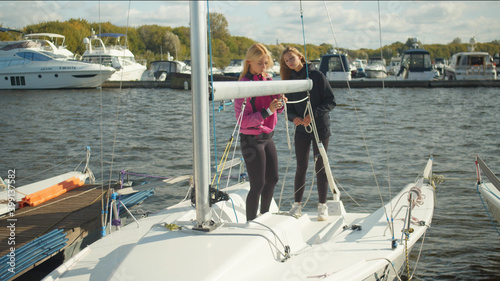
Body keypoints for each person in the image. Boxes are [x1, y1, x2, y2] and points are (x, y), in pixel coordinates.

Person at [280, 46, 336, 221]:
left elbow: (331, 101)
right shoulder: (289, 80)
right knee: (301, 167)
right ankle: (297, 205)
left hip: (320, 127)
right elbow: (287, 108)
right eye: (286, 61)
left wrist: (312, 116)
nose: (289, 62)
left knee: (320, 166)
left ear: (300, 57)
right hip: (301, 130)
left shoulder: (317, 76)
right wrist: (293, 118)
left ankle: (322, 206)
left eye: (291, 58)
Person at [234, 43, 287, 221]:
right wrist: (267, 111)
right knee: (257, 184)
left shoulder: (268, 81)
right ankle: (250, 221)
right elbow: (242, 120)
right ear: (249, 62)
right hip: (251, 139)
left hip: (267, 137)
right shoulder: (243, 85)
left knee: (273, 179)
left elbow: (277, 111)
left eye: (266, 63)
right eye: (260, 63)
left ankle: (264, 216)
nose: (263, 67)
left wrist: (279, 104)